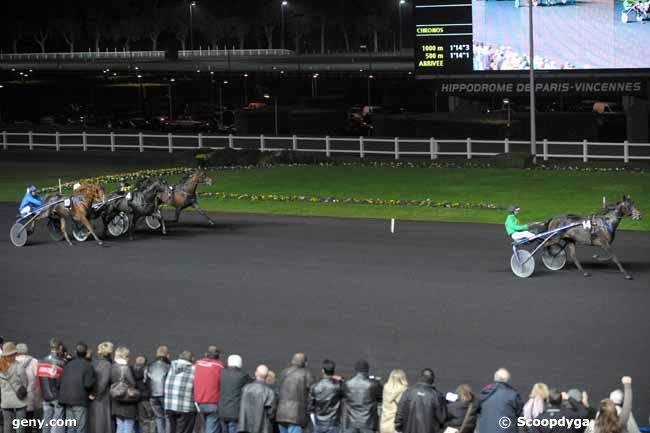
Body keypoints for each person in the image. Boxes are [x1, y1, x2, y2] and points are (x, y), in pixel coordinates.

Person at [58, 342, 97, 433]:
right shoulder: (88, 366)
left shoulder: (67, 365)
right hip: (80, 401)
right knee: (80, 428)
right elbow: (88, 384)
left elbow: (59, 382)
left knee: (71, 428)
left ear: (75, 352)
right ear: (86, 353)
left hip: (66, 400)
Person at [395, 368, 446, 433]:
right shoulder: (437, 396)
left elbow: (400, 413)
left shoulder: (408, 392)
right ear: (432, 380)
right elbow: (442, 418)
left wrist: (399, 427)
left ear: (420, 378)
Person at [276, 353, 313, 433]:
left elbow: (277, 391)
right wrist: (309, 410)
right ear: (305, 362)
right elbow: (311, 395)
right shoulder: (306, 374)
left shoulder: (283, 372)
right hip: (296, 415)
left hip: (281, 414)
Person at [477, 368, 522, 433]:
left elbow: (477, 409)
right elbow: (519, 412)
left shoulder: (484, 393)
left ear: (495, 378)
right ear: (507, 379)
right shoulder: (513, 395)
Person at [342, 360, 382, 433]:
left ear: (356, 370)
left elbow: (344, 398)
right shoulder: (373, 384)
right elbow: (380, 398)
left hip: (351, 422)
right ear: (367, 370)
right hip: (367, 423)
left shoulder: (347, 384)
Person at [194, 346, 225, 433]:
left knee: (204, 428)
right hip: (212, 403)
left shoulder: (197, 363)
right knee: (211, 429)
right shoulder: (220, 366)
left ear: (206, 354)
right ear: (217, 356)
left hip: (198, 403)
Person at [38, 338, 67, 433]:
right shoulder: (62, 363)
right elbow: (62, 382)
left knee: (46, 422)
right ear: (60, 347)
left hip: (45, 396)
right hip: (57, 397)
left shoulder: (40, 361)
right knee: (58, 423)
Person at [238, 365, 277, 433]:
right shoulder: (269, 392)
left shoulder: (245, 388)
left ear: (256, 373)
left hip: (246, 426)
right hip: (263, 428)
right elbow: (271, 412)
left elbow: (241, 406)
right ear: (267, 376)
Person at [164, 351, 196, 433]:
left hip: (169, 404)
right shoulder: (194, 369)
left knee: (173, 430)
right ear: (192, 359)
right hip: (185, 406)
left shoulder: (170, 366)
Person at [0, 342, 28, 433]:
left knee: (7, 425)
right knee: (20, 427)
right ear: (13, 354)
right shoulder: (19, 366)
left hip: (5, 401)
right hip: (19, 401)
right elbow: (25, 382)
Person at [308, 360, 343, 433]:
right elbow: (348, 390)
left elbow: (310, 407)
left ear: (323, 371)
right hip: (333, 423)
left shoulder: (315, 387)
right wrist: (341, 380)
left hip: (319, 422)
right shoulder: (338, 387)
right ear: (334, 371)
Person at [220, 355, 252, 433]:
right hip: (235, 411)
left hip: (222, 410)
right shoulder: (242, 375)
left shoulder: (221, 373)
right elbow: (251, 384)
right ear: (239, 363)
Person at [110, 347, 138, 433]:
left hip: (116, 400)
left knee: (120, 426)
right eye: (128, 356)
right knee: (128, 427)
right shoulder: (125, 368)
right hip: (127, 401)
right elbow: (132, 383)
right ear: (125, 356)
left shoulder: (112, 367)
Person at [15, 344, 40, 433]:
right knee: (28, 422)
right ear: (26, 351)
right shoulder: (34, 362)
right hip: (29, 396)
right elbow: (38, 380)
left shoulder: (11, 361)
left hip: (15, 397)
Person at [89, 342, 113, 433]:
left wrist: (92, 393)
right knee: (103, 421)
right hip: (102, 396)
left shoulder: (94, 363)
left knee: (96, 421)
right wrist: (96, 394)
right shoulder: (107, 364)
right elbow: (104, 382)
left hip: (95, 395)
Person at [148, 346, 171, 433]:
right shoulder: (169, 366)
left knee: (158, 418)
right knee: (168, 418)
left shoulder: (150, 365)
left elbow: (146, 379)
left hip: (152, 395)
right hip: (165, 395)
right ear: (167, 355)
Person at [134, 356, 155, 433]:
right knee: (152, 420)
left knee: (143, 421)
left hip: (137, 399)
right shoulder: (148, 371)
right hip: (148, 398)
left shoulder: (131, 370)